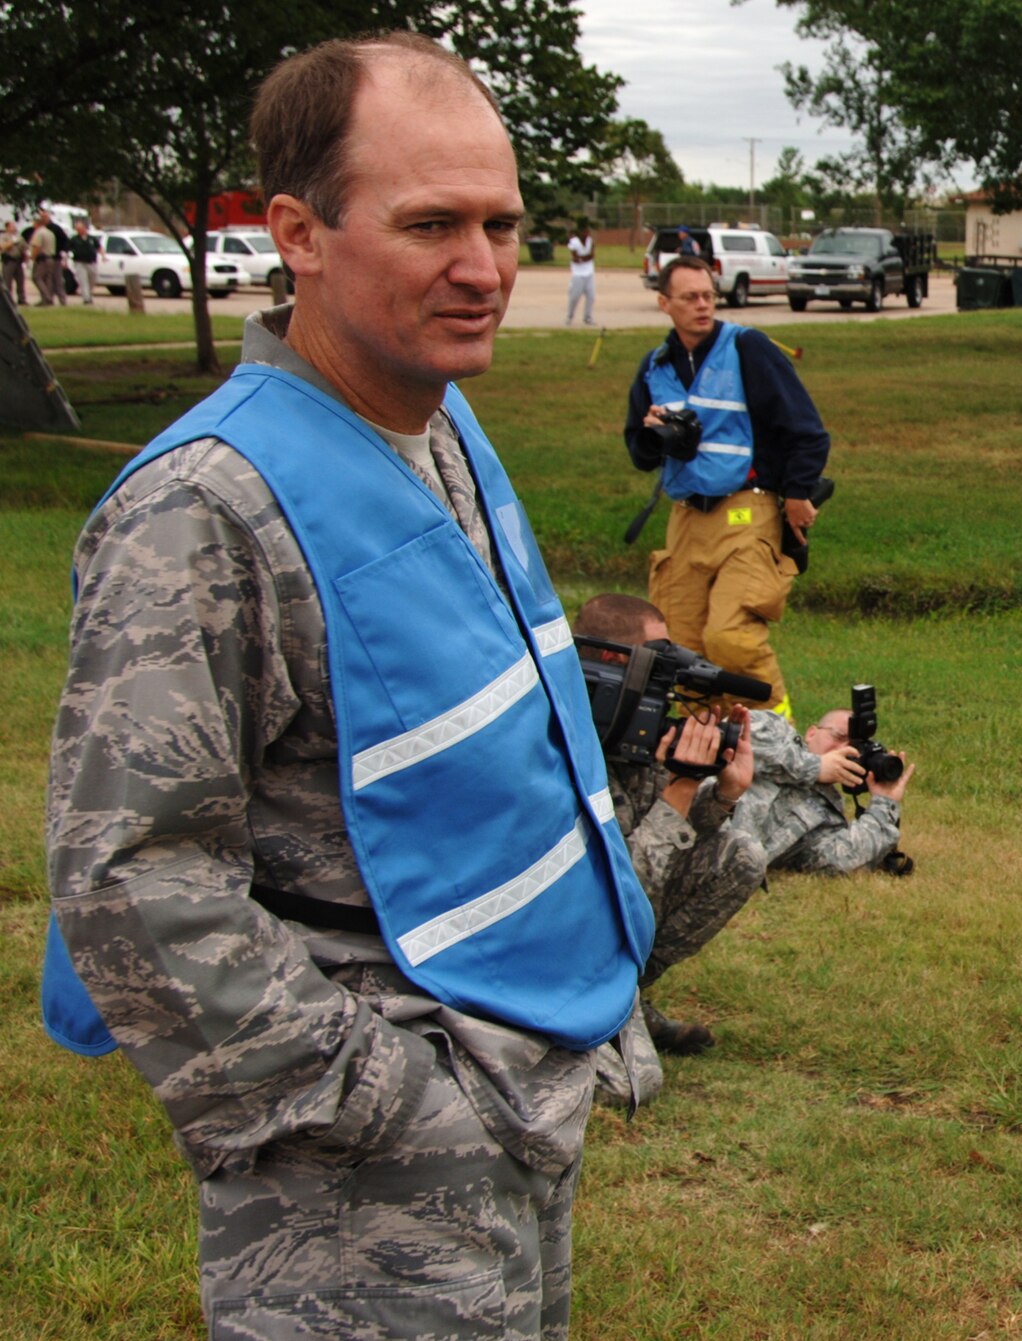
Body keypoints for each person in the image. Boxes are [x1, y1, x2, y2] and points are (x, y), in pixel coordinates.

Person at [39, 33, 655, 1337]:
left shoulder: (437, 423)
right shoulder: (198, 510)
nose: (483, 269)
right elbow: (125, 891)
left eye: (503, 224)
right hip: (364, 1180)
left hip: (513, 1101)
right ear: (296, 234)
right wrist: (387, 1103)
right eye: (431, 222)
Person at [625, 254, 831, 721]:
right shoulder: (654, 367)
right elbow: (639, 455)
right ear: (664, 303)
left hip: (746, 510)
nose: (702, 305)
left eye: (708, 296)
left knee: (730, 637)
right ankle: (706, 755)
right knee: (681, 648)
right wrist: (651, 430)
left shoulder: (748, 348)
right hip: (685, 519)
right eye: (690, 297)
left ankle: (778, 735)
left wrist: (797, 495)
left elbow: (808, 430)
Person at [574, 592, 766, 1081]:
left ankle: (627, 998)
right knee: (633, 1086)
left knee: (739, 855)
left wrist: (723, 793)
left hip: (609, 932)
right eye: (657, 657)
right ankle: (599, 1015)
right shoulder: (569, 747)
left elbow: (670, 839)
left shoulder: (632, 731)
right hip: (570, 942)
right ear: (615, 660)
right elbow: (622, 887)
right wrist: (681, 783)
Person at [732, 705, 912, 875]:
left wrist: (884, 802)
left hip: (719, 852)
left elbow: (841, 859)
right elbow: (731, 734)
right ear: (811, 733)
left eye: (854, 747)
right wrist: (813, 767)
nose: (845, 749)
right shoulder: (776, 730)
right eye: (839, 737)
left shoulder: (827, 815)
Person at [565, 216, 596, 326]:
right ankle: (569, 316)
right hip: (578, 274)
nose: (587, 234)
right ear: (581, 232)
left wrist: (582, 258)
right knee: (574, 297)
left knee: (591, 296)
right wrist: (583, 258)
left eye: (588, 232)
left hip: (589, 273)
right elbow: (575, 258)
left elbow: (591, 256)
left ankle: (587, 317)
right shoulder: (574, 242)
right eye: (585, 232)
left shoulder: (590, 241)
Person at [28, 209, 61, 306]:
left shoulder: (39, 233)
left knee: (37, 277)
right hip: (51, 258)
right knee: (48, 279)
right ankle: (45, 300)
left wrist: (33, 258)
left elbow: (36, 247)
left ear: (37, 224)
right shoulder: (50, 233)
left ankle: (47, 297)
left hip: (42, 259)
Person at [68, 218, 99, 304]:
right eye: (77, 229)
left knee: (91, 280)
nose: (79, 230)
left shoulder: (92, 239)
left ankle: (89, 295)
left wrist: (103, 256)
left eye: (80, 228)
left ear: (85, 228)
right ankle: (86, 299)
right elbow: (68, 249)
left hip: (91, 262)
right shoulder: (74, 239)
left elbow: (99, 247)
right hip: (79, 262)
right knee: (83, 280)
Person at [1, 221, 26, 304]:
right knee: (7, 281)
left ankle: (22, 299)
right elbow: (3, 247)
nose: (14, 228)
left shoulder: (19, 237)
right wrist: (13, 242)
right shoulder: (3, 236)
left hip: (18, 261)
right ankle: (8, 300)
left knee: (20, 281)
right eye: (12, 226)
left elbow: (24, 248)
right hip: (9, 260)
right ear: (7, 227)